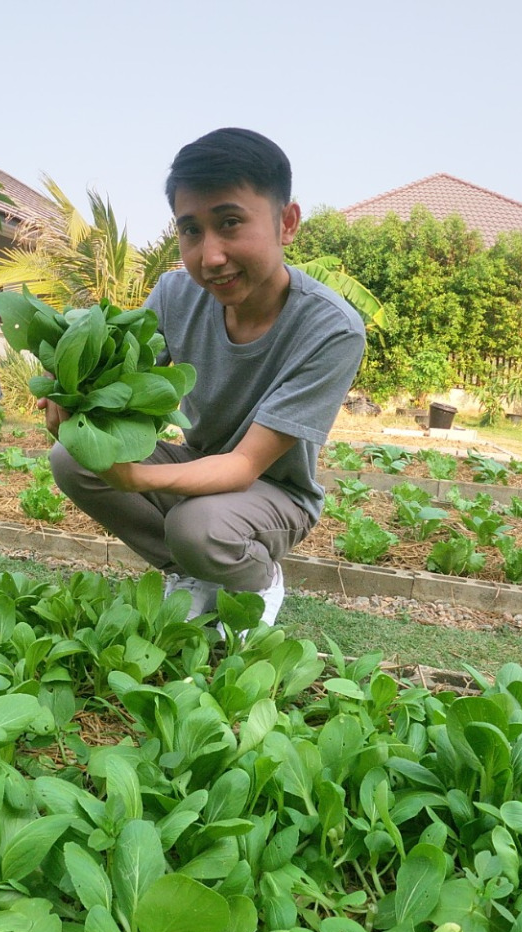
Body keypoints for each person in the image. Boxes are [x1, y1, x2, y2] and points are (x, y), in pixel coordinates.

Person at [43, 128, 365, 625]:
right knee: (71, 459)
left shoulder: (330, 328)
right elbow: (123, 390)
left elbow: (242, 467)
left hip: (274, 493)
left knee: (199, 526)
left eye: (230, 222)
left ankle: (258, 579)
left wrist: (133, 477)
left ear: (288, 222)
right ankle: (190, 571)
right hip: (197, 462)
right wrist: (73, 395)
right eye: (191, 230)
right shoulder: (175, 294)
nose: (210, 256)